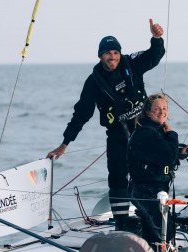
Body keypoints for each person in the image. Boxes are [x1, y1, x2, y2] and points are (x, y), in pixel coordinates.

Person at [46, 19, 165, 231]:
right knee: (118, 175)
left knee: (150, 173)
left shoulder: (132, 63)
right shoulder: (93, 82)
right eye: (108, 53)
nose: (112, 57)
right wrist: (65, 143)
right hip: (118, 135)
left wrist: (156, 39)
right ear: (100, 55)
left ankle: (149, 215)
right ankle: (121, 221)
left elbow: (153, 56)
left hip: (145, 130)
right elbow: (81, 114)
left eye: (116, 53)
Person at [127, 93, 188, 250]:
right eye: (157, 109)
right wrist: (172, 135)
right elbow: (166, 156)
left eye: (164, 108)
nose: (162, 112)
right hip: (146, 191)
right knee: (165, 232)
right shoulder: (146, 133)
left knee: (156, 232)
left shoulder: (154, 130)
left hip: (152, 190)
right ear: (148, 112)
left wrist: (180, 152)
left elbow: (158, 155)